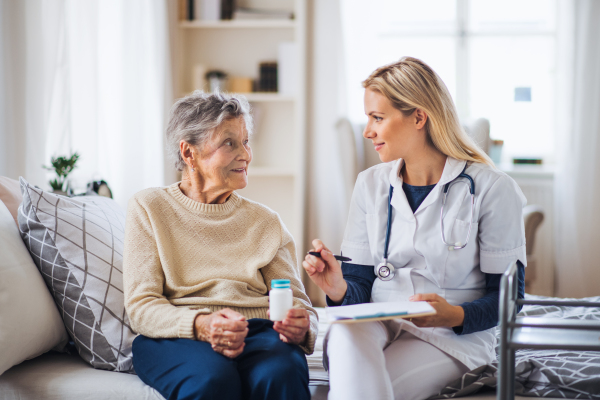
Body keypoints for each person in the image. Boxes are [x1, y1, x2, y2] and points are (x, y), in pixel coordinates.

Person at [303, 57, 526, 400]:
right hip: (375, 320)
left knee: (363, 389)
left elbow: (510, 298)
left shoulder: (493, 188)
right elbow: (360, 288)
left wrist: (454, 315)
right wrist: (336, 289)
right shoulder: (370, 184)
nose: (368, 131)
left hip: (451, 335)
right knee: (347, 335)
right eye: (368, 119)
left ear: (419, 117)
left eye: (377, 118)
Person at [124, 91, 318, 400]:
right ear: (189, 153)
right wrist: (201, 324)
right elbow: (141, 307)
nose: (245, 155)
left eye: (245, 141)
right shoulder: (150, 208)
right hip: (178, 334)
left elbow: (298, 303)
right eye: (229, 143)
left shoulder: (265, 221)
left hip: (257, 331)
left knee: (282, 372)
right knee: (213, 380)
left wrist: (303, 327)